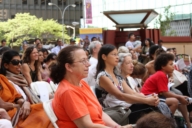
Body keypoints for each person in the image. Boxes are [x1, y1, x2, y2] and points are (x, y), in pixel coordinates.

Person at [50, 45, 132, 128]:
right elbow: (86, 126)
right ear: (69, 67)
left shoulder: (82, 83)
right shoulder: (68, 91)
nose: (88, 64)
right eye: (83, 61)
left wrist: (117, 126)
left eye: (87, 59)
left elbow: (100, 113)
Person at [95, 44, 159, 124]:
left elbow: (132, 93)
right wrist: (147, 101)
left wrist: (149, 98)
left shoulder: (117, 76)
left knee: (156, 106)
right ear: (104, 57)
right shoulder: (103, 76)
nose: (117, 57)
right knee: (151, 109)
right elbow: (120, 96)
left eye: (117, 54)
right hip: (115, 112)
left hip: (124, 107)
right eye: (114, 54)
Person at [141, 53, 191, 128]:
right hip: (148, 97)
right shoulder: (161, 74)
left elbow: (164, 92)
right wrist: (179, 97)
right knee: (174, 101)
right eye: (170, 64)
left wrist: (180, 97)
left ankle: (187, 122)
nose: (173, 66)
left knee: (179, 98)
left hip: (155, 96)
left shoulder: (163, 74)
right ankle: (165, 123)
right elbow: (165, 93)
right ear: (163, 66)